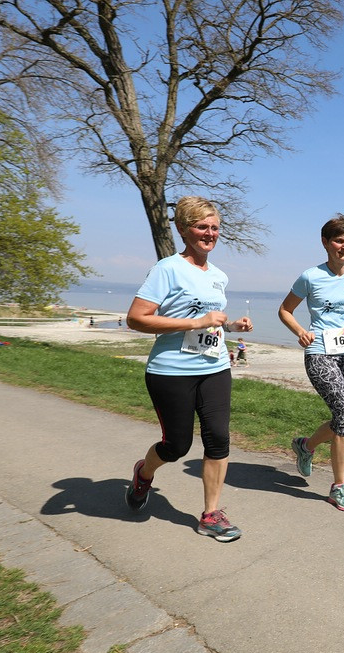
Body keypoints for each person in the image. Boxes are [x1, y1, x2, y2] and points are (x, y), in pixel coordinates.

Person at [124, 196, 253, 542]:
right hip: (171, 371)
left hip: (214, 367)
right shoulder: (167, 269)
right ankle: (144, 472)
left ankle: (211, 514)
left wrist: (232, 328)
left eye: (214, 227)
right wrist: (195, 321)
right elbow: (136, 319)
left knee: (218, 438)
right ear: (182, 229)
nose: (209, 233)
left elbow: (209, 324)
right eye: (201, 227)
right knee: (176, 446)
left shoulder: (219, 276)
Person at [278, 214, 344, 512]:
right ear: (325, 242)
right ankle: (339, 487)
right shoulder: (310, 277)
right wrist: (300, 331)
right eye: (339, 241)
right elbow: (284, 310)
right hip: (320, 352)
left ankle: (305, 446)